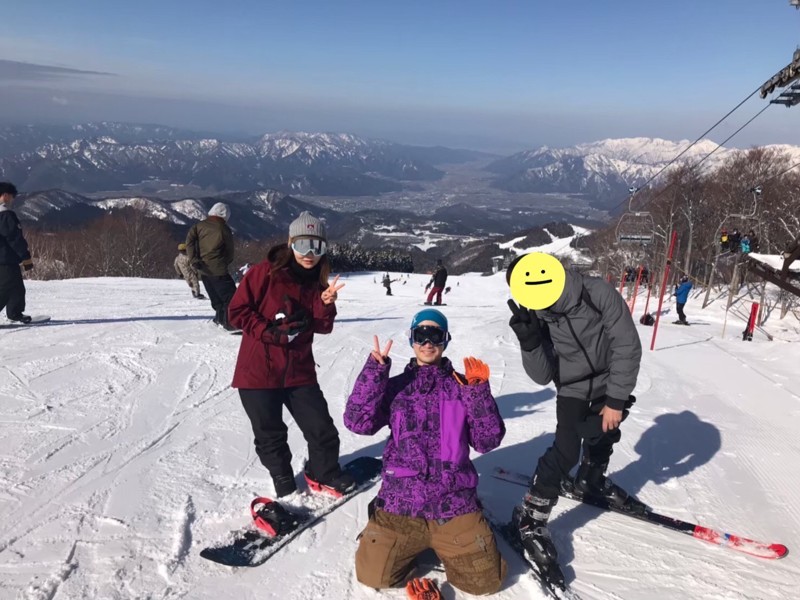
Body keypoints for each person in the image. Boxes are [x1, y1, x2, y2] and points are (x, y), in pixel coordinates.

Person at [345, 308, 507, 596]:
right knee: (372, 574)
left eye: (435, 335)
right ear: (411, 339)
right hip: (401, 502)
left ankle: (456, 539)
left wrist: (478, 394)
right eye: (421, 335)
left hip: (453, 504)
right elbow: (358, 422)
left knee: (486, 582)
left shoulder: (462, 387)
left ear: (446, 339)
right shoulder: (397, 387)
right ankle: (395, 538)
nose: (428, 342)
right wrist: (374, 372)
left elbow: (487, 441)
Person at [506, 258, 642, 586]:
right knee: (566, 450)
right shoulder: (538, 314)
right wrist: (530, 342)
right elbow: (542, 376)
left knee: (606, 432)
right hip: (572, 388)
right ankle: (531, 517)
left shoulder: (596, 294)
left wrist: (615, 400)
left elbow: (627, 345)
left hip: (609, 379)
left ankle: (590, 480)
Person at [228, 211, 353, 499]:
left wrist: (325, 303)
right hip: (258, 371)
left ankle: (324, 472)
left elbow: (322, 327)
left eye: (317, 246)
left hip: (298, 370)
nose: (310, 254)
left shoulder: (317, 282)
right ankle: (283, 480)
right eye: (302, 245)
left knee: (321, 428)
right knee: (270, 434)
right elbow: (236, 311)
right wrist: (269, 332)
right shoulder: (265, 272)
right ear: (290, 243)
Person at [185, 202, 237, 330]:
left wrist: (194, 259)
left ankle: (219, 318)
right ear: (225, 215)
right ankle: (230, 323)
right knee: (231, 296)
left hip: (202, 269)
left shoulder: (198, 226)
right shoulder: (223, 229)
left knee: (216, 297)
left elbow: (189, 242)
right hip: (218, 268)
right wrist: (225, 262)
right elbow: (230, 251)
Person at [0, 182, 34, 324]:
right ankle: (15, 312)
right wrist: (25, 256)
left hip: (6, 259)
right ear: (6, 196)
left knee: (17, 287)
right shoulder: (6, 215)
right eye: (12, 197)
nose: (13, 200)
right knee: (6, 287)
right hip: (5, 259)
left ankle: (15, 313)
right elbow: (14, 237)